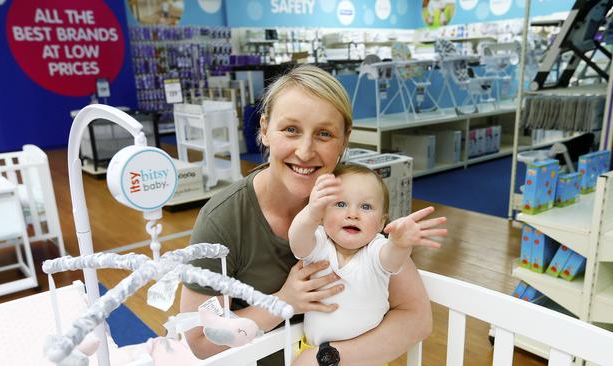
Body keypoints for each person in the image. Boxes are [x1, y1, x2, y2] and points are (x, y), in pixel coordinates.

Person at [179, 64, 445, 365]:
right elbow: (199, 340)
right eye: (291, 129)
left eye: (324, 134)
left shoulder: (353, 202)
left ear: (344, 140)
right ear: (265, 130)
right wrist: (283, 302)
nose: (305, 152)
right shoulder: (224, 220)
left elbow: (415, 317)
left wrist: (323, 360)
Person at [289, 164, 445, 349]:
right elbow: (297, 240)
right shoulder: (320, 243)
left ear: (381, 222)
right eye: (341, 204)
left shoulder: (375, 249)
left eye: (366, 206)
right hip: (313, 353)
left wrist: (399, 244)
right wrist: (310, 212)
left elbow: (391, 260)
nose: (353, 214)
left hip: (366, 358)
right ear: (322, 214)